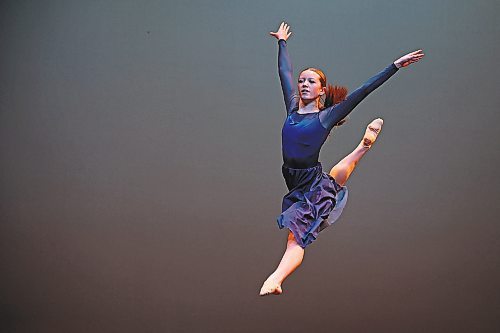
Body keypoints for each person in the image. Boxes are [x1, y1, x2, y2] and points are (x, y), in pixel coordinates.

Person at [259, 22, 424, 296]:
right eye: (302, 81)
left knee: (295, 238)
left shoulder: (327, 116)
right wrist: (282, 42)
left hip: (308, 181)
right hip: (295, 183)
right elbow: (284, 72)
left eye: (311, 81)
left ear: (322, 91)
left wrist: (394, 66)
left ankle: (276, 278)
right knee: (335, 177)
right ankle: (363, 146)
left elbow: (364, 90)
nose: (303, 84)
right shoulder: (291, 108)